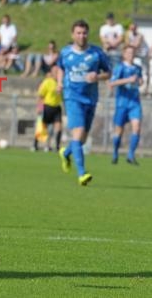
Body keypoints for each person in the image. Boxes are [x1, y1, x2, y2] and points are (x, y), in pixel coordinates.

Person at [57, 20, 111, 186]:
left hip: (91, 99)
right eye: (78, 33)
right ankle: (82, 173)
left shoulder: (96, 53)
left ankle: (66, 153)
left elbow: (109, 73)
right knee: (78, 133)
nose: (81, 36)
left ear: (88, 34)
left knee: (81, 140)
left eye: (84, 33)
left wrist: (97, 77)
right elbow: (60, 67)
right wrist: (59, 82)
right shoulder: (65, 53)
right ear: (73, 34)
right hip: (72, 98)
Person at [108, 46, 142, 165]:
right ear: (124, 54)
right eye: (128, 52)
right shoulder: (120, 67)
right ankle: (115, 153)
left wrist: (140, 81)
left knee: (137, 127)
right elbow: (112, 83)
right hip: (122, 102)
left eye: (132, 52)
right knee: (119, 131)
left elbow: (139, 80)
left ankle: (131, 155)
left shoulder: (138, 68)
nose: (130, 55)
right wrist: (128, 80)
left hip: (134, 102)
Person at [33, 66, 62, 152]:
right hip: (47, 107)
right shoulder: (47, 82)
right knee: (42, 127)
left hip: (56, 108)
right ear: (52, 73)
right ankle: (35, 145)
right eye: (56, 72)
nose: (58, 74)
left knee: (59, 127)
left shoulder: (61, 84)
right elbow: (40, 96)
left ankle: (57, 146)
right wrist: (39, 108)